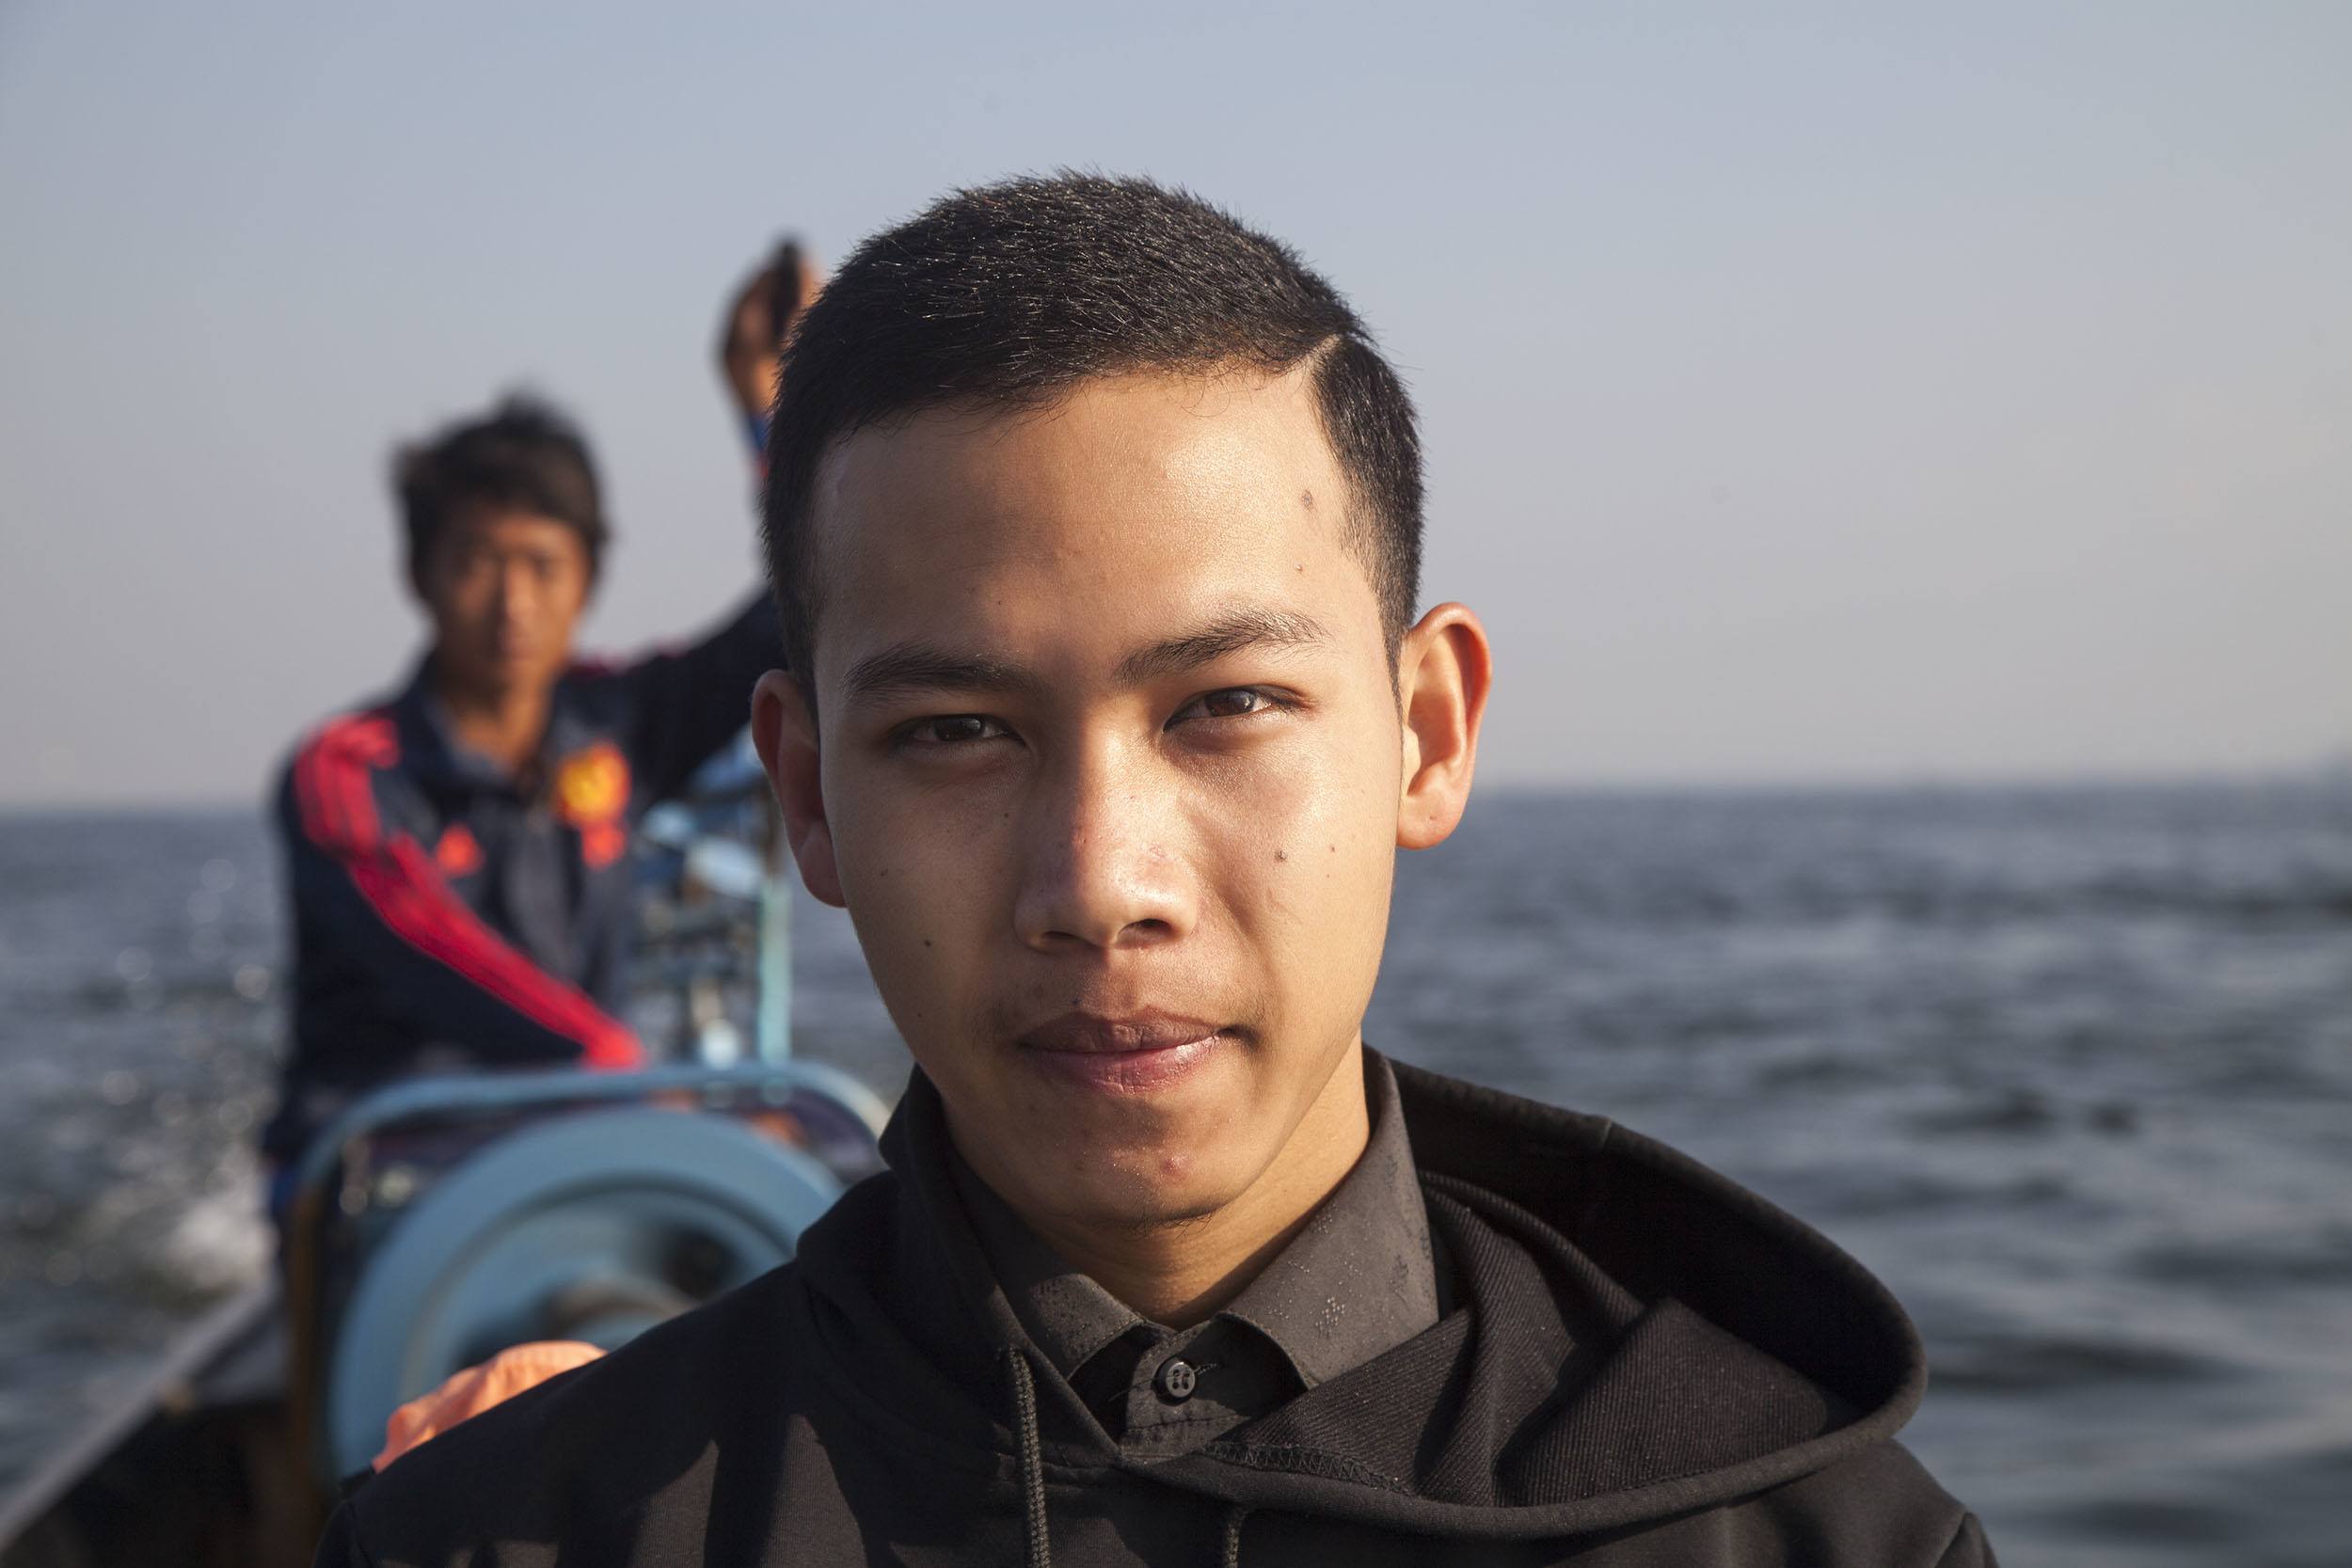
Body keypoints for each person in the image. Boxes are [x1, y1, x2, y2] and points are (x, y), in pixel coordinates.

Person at [316, 176, 1995, 1566]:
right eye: (961, 732)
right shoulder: (516, 1531)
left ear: (1425, 732)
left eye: (1228, 706)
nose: (1101, 881)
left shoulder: (1815, 1534)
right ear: (809, 798)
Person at [259, 251, 819, 1186]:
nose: (512, 600)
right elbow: (430, 949)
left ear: (588, 581)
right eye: (478, 561)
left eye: (543, 564)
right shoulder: (343, 772)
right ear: (419, 574)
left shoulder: (620, 721)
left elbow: (800, 607)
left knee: (829, 1169)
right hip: (389, 1163)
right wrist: (613, 1068)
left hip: (583, 1137)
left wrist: (771, 407)